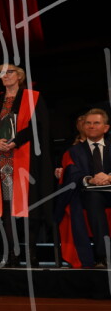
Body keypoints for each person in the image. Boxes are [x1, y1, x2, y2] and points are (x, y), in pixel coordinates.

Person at [0, 64, 54, 267]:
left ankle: (31, 253)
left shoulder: (33, 97)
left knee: (29, 205)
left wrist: (16, 141)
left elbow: (39, 126)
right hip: (1, 161)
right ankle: (12, 253)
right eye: (1, 73)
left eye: (9, 71)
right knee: (7, 206)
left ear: (19, 76)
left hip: (26, 158)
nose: (5, 75)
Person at [56, 109, 111, 268]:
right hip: (88, 195)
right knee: (94, 199)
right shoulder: (74, 151)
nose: (91, 126)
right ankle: (103, 256)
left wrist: (108, 177)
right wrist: (90, 179)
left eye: (96, 123)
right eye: (88, 123)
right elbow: (71, 173)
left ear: (106, 128)